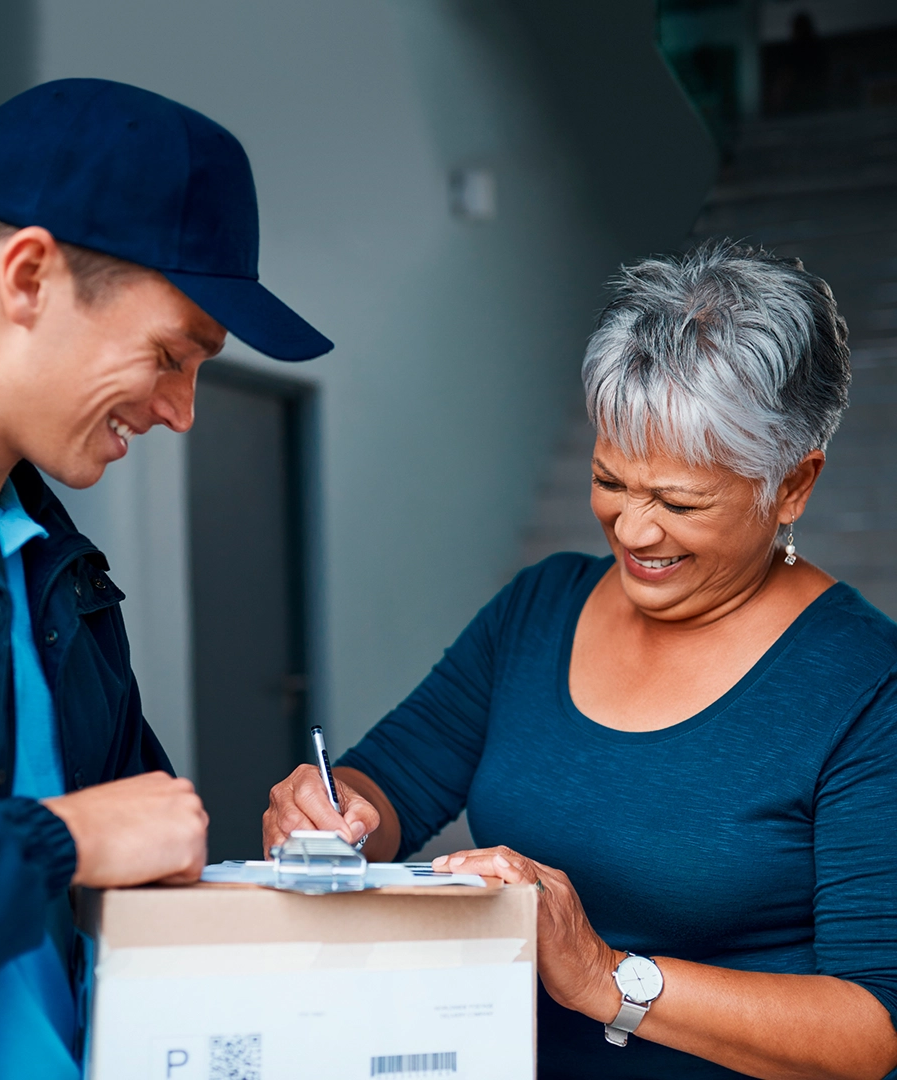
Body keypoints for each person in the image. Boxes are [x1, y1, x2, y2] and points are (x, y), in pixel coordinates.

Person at [264, 242, 897, 1079]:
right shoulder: (541, 608)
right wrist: (335, 813)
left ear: (792, 486)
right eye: (610, 481)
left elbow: (872, 1029)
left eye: (679, 501)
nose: (633, 531)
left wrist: (605, 978)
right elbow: (389, 786)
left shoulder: (865, 685)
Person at [0, 79, 332, 1079]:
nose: (182, 412)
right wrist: (59, 842)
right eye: (171, 355)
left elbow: (133, 851)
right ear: (27, 276)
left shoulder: (54, 564)